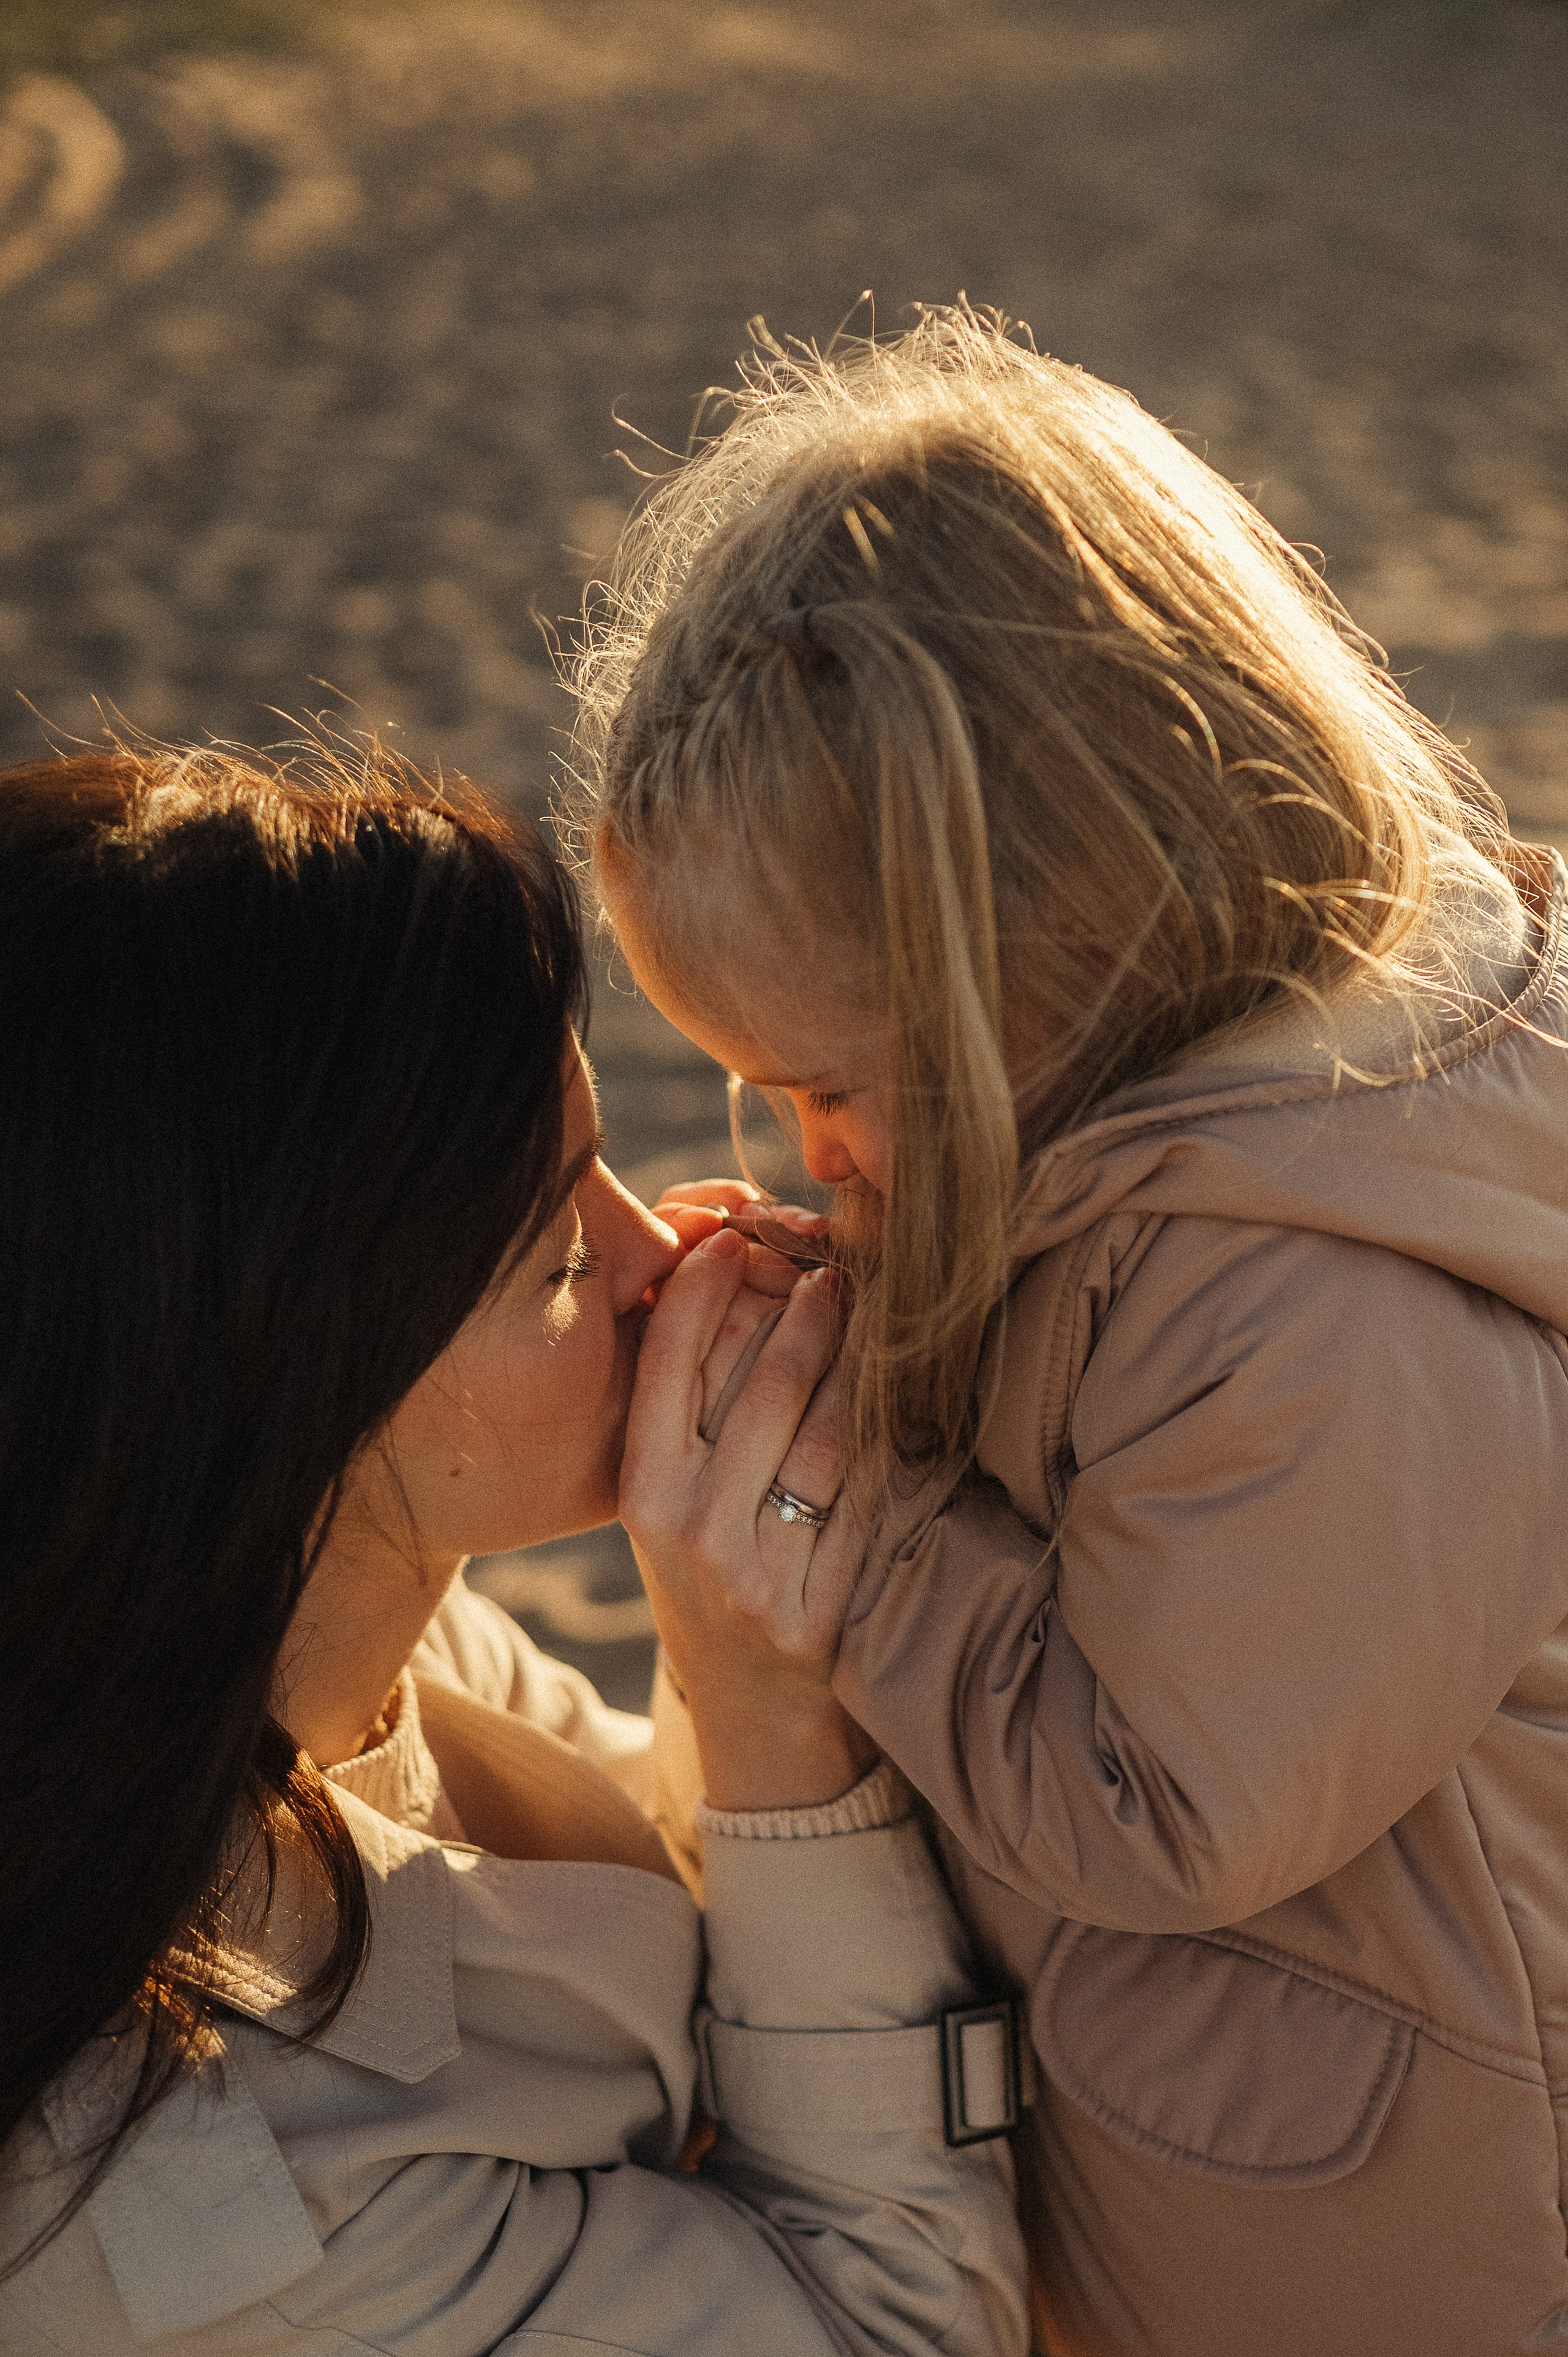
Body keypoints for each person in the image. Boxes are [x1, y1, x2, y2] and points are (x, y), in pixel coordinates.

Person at [567, 304, 1568, 2356]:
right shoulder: (1127, 1136)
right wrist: (861, 1298)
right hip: (1202, 2161)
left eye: (835, 1084)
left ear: (1070, 942)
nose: (817, 1148)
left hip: (1396, 2254)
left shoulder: (1337, 1303)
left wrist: (863, 1526)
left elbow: (1159, 1797)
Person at [0, 741, 1029, 2356]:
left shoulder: (336, 1640)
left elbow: (657, 1874)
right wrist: (759, 1696)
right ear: (275, 1395)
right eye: (557, 1257)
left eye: (599, 1171)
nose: (663, 1251)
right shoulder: (218, 2208)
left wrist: (729, 1617)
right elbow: (897, 2327)